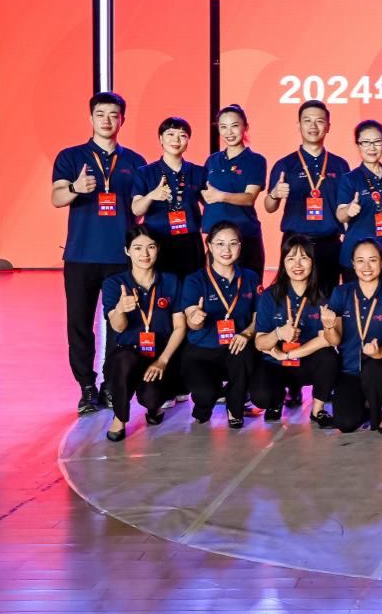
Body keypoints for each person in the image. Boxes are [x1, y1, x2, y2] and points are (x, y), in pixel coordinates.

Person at [51, 91, 147, 416]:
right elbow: (56, 197)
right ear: (91, 118)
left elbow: (139, 207)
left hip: (120, 258)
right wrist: (75, 188)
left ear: (123, 120)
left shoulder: (135, 161)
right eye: (101, 114)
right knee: (79, 324)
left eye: (113, 115)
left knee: (119, 323)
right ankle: (86, 387)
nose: (107, 120)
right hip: (80, 256)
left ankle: (110, 383)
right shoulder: (71, 156)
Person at [100, 226, 186, 441]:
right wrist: (120, 309)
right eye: (137, 248)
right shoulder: (114, 283)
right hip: (128, 351)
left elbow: (179, 326)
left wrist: (163, 361)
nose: (145, 254)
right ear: (127, 251)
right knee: (124, 361)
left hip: (160, 354)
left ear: (158, 249)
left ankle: (154, 407)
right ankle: (120, 418)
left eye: (151, 247)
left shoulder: (171, 281)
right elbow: (118, 327)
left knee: (152, 397)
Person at [251, 233, 340, 425]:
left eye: (304, 258)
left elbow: (326, 339)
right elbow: (260, 343)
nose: (297, 265)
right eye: (291, 258)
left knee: (330, 358)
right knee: (261, 396)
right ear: (283, 263)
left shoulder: (324, 295)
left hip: (306, 361)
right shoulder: (270, 296)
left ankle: (318, 410)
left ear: (313, 262)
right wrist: (278, 333)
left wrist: (290, 354)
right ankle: (275, 400)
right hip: (275, 362)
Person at [179, 223, 259, 429]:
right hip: (202, 349)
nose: (227, 250)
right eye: (220, 244)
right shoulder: (195, 280)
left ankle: (235, 407)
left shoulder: (250, 277)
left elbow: (259, 316)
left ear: (240, 246)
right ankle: (206, 401)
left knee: (245, 354)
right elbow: (191, 322)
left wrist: (247, 333)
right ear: (209, 246)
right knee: (206, 394)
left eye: (233, 243)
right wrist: (195, 319)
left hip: (235, 346)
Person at [264, 100, 351, 290]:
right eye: (307, 120)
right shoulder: (285, 164)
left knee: (328, 298)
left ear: (328, 127)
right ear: (299, 125)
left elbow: (344, 207)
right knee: (294, 297)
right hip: (295, 243)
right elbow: (269, 207)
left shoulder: (340, 165)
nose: (313, 126)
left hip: (329, 244)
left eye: (319, 121)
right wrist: (275, 194)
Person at [327, 239, 382, 434]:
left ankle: (377, 416)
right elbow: (335, 340)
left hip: (381, 366)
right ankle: (365, 402)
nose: (366, 267)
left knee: (374, 369)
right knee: (345, 423)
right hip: (349, 369)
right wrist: (328, 326)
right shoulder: (341, 293)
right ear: (353, 264)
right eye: (360, 261)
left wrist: (378, 353)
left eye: (372, 260)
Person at [132, 117, 208, 278]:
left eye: (182, 135)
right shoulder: (145, 172)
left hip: (190, 242)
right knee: (161, 290)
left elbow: (210, 204)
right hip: (157, 242)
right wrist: (151, 196)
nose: (176, 140)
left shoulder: (199, 172)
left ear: (188, 141)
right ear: (161, 138)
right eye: (170, 134)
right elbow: (136, 210)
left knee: (191, 288)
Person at [334, 119, 382, 287]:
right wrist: (349, 210)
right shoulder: (349, 179)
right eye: (365, 142)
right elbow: (340, 215)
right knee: (354, 302)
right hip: (356, 258)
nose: (372, 147)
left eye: (377, 141)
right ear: (358, 145)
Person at [202, 105, 267, 279]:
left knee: (249, 288)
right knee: (214, 288)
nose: (229, 132)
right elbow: (205, 194)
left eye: (235, 126)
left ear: (245, 127)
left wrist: (220, 196)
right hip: (217, 240)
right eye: (223, 127)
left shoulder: (255, 160)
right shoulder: (212, 160)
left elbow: (249, 198)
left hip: (245, 236)